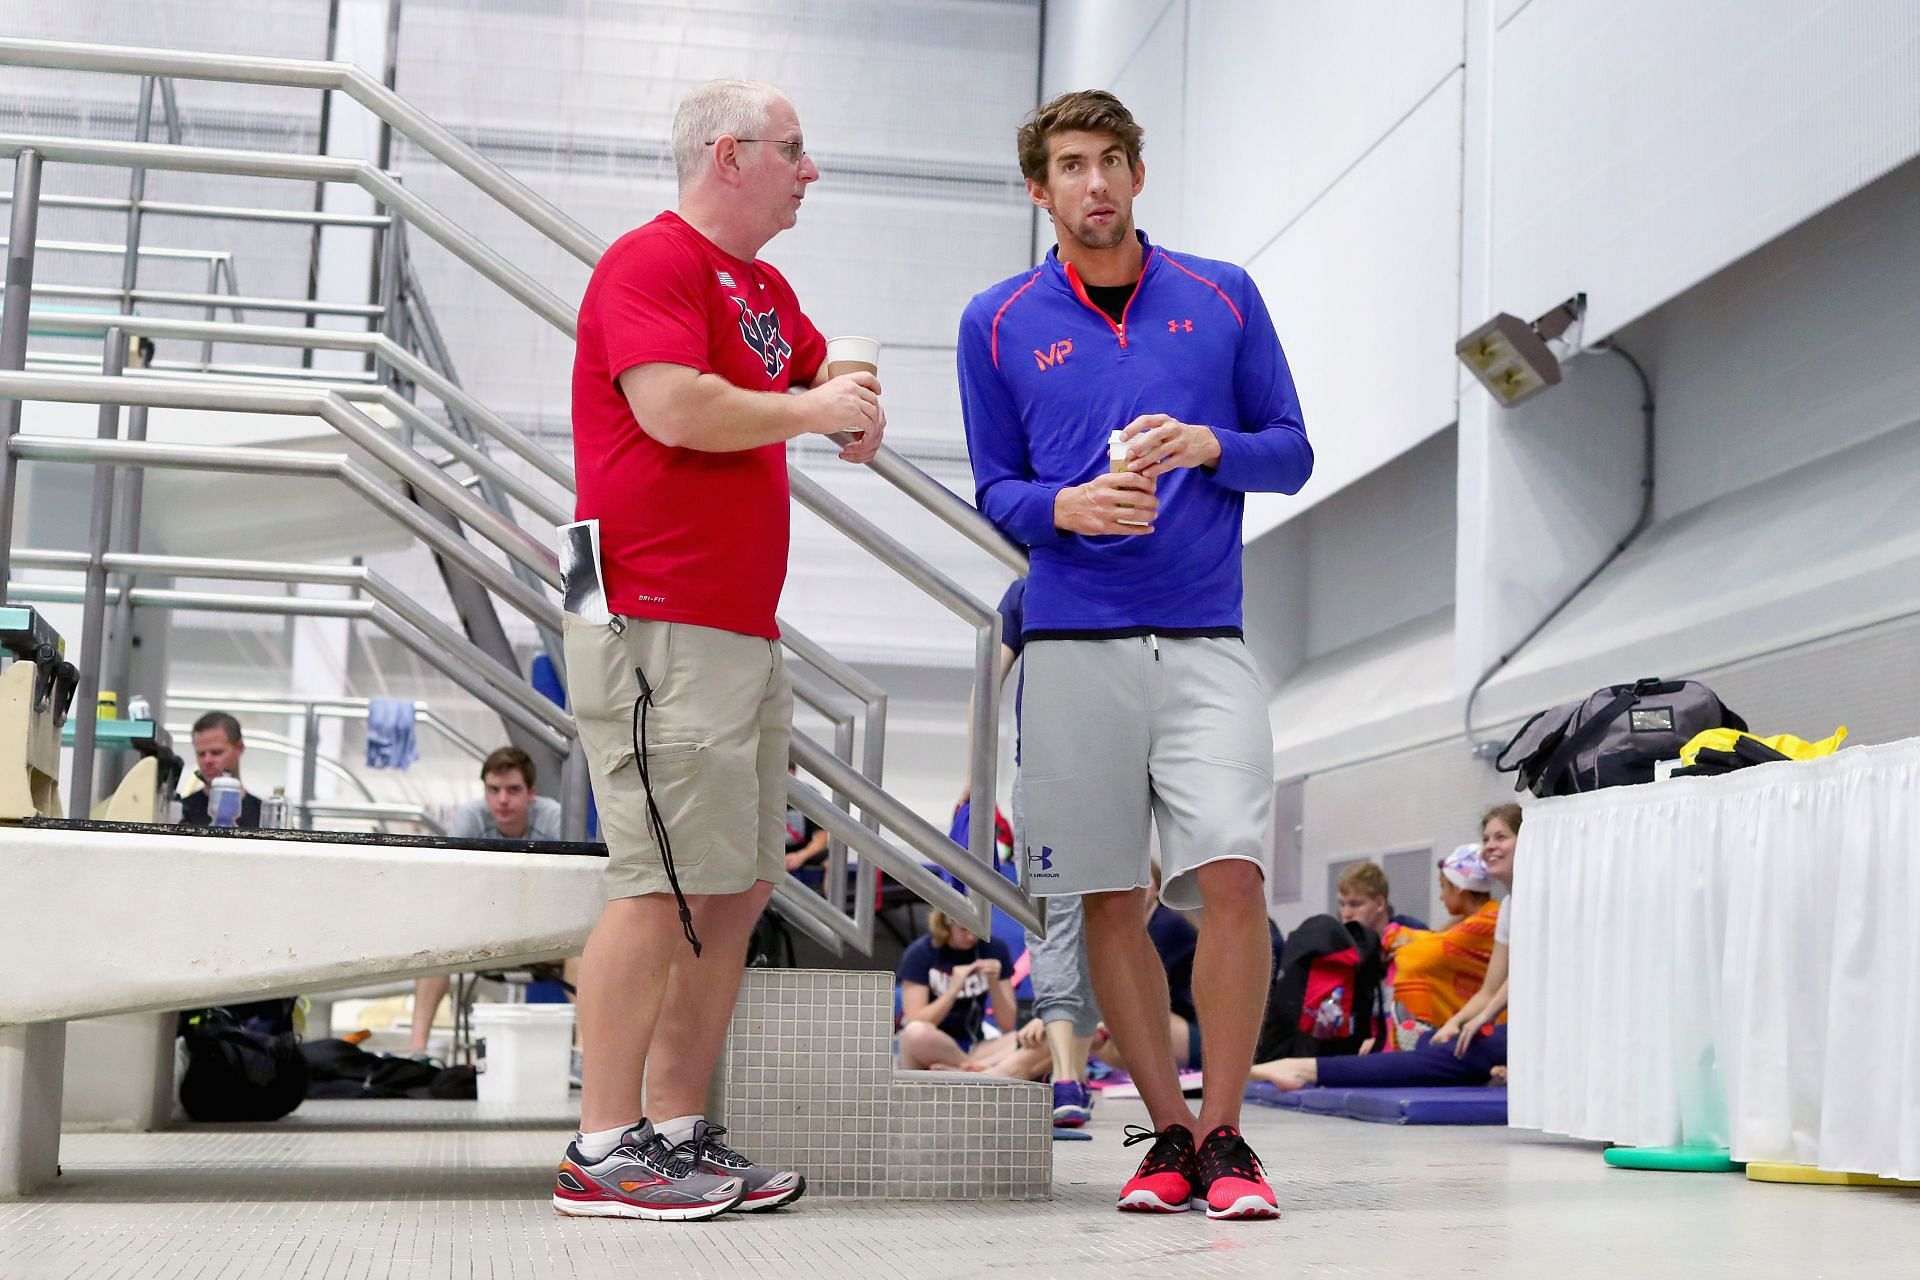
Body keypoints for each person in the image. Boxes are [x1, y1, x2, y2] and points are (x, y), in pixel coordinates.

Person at [959, 89, 1312, 1220]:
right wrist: (1065, 509)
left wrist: (1212, 443)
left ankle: (1229, 1135)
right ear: (1040, 188)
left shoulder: (1222, 297)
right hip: (1069, 640)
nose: (1095, 183)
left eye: (1112, 160)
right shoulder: (998, 320)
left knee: (1234, 879)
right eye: (1071, 164)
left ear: (1138, 175)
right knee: (1108, 894)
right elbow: (995, 487)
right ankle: (1166, 1133)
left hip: (1208, 635)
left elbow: (1292, 452)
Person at [553, 77, 885, 1223]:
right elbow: (678, 409)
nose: (811, 171)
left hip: (737, 627)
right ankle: (602, 1148)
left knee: (735, 886)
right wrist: (814, 409)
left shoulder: (761, 285)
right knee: (659, 883)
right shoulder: (648, 264)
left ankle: (679, 1131)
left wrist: (848, 397)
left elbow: (809, 374)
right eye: (795, 150)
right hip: (652, 618)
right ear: (730, 154)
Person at [1252, 805, 1523, 1091]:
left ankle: (1306, 1069)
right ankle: (1421, 1038)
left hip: (1522, 1030)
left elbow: (1514, 973)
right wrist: (1458, 1023)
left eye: (1501, 837)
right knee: (1445, 1046)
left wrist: (1481, 1018)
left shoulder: (1481, 917)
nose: (1490, 846)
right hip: (1496, 1028)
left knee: (1446, 1055)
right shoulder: (1507, 907)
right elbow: (1490, 988)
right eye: (1486, 839)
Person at [963, 577, 1104, 1126]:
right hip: (1057, 773)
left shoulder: (1042, 590)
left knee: (1091, 923)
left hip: (1095, 775)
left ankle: (1074, 1077)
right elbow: (986, 685)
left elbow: (985, 688)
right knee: (1062, 919)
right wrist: (976, 782)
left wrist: (973, 779)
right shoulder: (1030, 592)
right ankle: (1068, 1077)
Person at [409, 748, 566, 1058]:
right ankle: (417, 1052)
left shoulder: (553, 817)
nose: (503, 800)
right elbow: (450, 886)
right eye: (493, 790)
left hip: (543, 937)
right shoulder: (470, 816)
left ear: (531, 793)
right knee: (434, 946)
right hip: (481, 935)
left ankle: (581, 1055)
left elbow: (570, 892)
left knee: (585, 951)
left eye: (513, 790)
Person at [895, 910, 1042, 1077]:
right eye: (964, 929)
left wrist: (995, 982)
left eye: (977, 929)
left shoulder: (994, 948)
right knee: (916, 1032)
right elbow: (916, 1019)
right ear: (946, 922)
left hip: (976, 1047)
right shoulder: (920, 953)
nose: (971, 936)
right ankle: (978, 1070)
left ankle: (969, 1069)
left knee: (1031, 1037)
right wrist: (953, 990)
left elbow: (1008, 1025)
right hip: (933, 1045)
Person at [1387, 844, 1500, 1031]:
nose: (1441, 897)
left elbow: (1419, 957)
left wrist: (1406, 940)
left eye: (1443, 887)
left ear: (1458, 888)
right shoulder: (1472, 919)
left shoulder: (1485, 922)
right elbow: (1437, 939)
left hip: (1491, 1024)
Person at [179, 711, 262, 828]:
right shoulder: (181, 814)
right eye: (201, 754)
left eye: (216, 752)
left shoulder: (263, 814)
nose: (207, 761)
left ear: (239, 748)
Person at [1334, 861, 1428, 936]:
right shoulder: (1338, 942)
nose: (1346, 914)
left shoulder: (1414, 933)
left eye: (1355, 904)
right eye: (1342, 905)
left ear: (1380, 904)